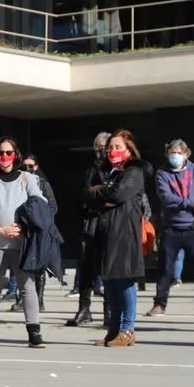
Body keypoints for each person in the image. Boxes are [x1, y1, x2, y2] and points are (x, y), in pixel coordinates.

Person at [0, 137, 46, 349]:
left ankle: (34, 331)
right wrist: (0, 229)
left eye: (9, 152)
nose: (4, 157)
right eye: (0, 153)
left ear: (16, 154)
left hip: (22, 241)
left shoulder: (27, 178)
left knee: (27, 287)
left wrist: (23, 226)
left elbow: (38, 203)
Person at [85, 130, 147, 347]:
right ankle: (113, 330)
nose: (113, 151)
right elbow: (89, 197)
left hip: (125, 233)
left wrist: (102, 193)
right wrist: (105, 193)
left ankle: (127, 330)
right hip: (107, 233)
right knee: (110, 282)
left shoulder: (135, 171)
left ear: (129, 150)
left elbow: (119, 195)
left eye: (118, 147)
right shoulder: (109, 172)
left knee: (125, 281)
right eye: (110, 147)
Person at [146, 139, 194, 317]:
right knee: (165, 269)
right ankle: (160, 304)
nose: (175, 156)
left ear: (186, 154)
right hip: (171, 228)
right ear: (167, 154)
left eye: (179, 153)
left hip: (193, 226)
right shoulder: (162, 173)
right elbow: (167, 199)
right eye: (172, 152)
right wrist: (191, 203)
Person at [67, 132, 110, 327]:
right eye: (97, 148)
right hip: (89, 222)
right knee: (85, 267)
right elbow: (83, 193)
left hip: (109, 222)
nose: (100, 151)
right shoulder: (89, 170)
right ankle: (84, 309)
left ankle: (109, 311)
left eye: (104, 147)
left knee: (109, 268)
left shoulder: (116, 169)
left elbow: (112, 192)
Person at [16, 154, 57, 313]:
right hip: (22, 230)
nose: (28, 169)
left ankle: (39, 300)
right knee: (22, 267)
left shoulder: (43, 183)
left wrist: (41, 219)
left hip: (40, 230)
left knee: (39, 267)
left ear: (36, 167)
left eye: (31, 166)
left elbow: (53, 206)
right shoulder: (17, 183)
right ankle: (22, 299)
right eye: (24, 166)